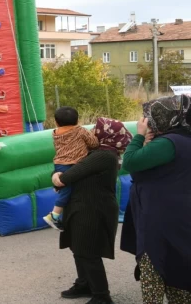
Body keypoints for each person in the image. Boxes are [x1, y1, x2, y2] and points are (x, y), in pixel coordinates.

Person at [53, 117, 132, 304]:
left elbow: (69, 176)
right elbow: (66, 168)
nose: (93, 133)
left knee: (88, 251)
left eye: (97, 130)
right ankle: (85, 283)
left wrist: (58, 176)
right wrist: (57, 174)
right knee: (78, 247)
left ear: (107, 134)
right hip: (82, 207)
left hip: (93, 209)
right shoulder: (92, 153)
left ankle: (101, 295)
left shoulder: (104, 156)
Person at [120, 96, 191, 302]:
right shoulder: (182, 140)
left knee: (154, 265)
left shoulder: (169, 143)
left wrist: (139, 136)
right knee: (179, 268)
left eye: (152, 117)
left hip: (160, 221)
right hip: (179, 218)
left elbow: (130, 162)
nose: (149, 121)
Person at [43, 107, 100, 231]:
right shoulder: (80, 131)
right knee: (67, 191)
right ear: (77, 120)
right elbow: (94, 143)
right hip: (75, 164)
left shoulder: (55, 133)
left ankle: (58, 190)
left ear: (56, 122)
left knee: (66, 188)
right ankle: (53, 215)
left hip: (60, 164)